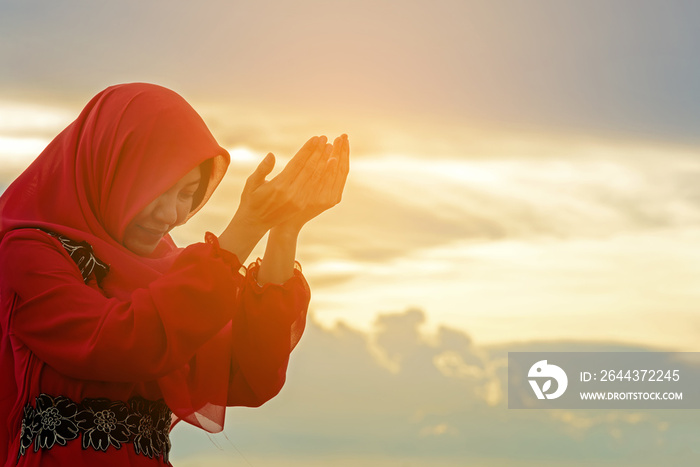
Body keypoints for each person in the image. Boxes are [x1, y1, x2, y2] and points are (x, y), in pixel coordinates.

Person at [0, 83, 349, 466]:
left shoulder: (173, 271)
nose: (171, 215)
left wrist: (284, 230)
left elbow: (249, 374)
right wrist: (244, 230)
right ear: (109, 167)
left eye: (187, 194)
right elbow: (117, 343)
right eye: (157, 190)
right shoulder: (29, 250)